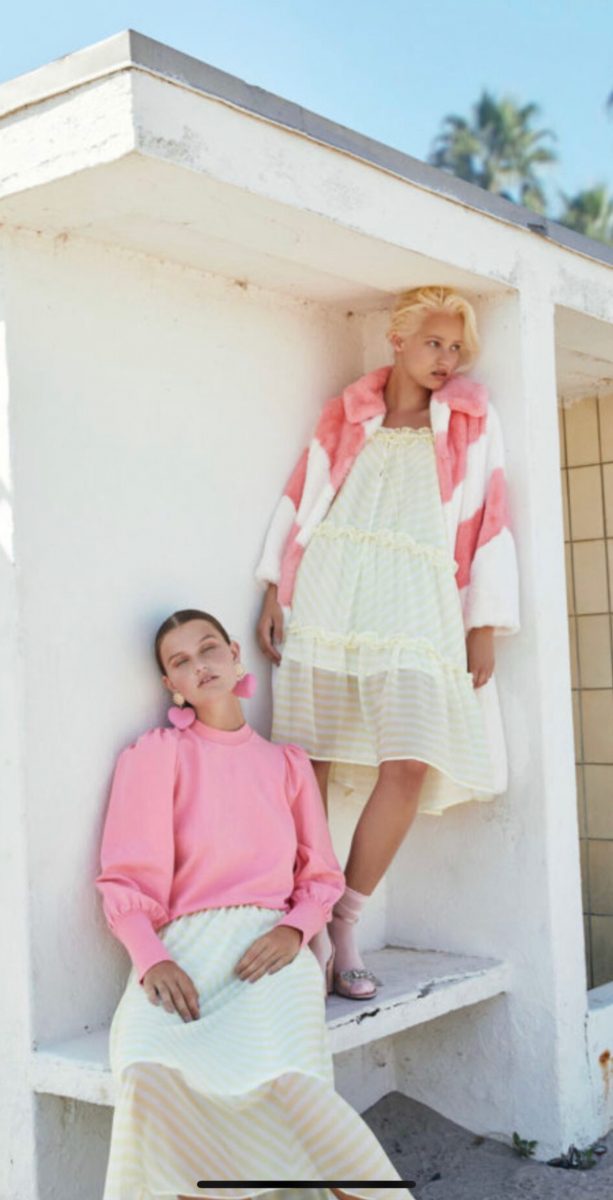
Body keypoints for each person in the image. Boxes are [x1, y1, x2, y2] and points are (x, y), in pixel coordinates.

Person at [256, 285, 520, 1000]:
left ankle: (346, 919)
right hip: (331, 587)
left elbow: (491, 517)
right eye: (434, 342)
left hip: (418, 598)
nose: (446, 358)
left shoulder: (470, 416)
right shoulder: (348, 411)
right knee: (307, 758)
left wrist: (483, 625)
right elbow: (303, 494)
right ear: (397, 341)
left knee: (406, 764)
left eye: (456, 348)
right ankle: (309, 920)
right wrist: (275, 587)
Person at [96, 608, 413, 1200]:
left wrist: (294, 932)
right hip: (183, 952)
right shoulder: (157, 754)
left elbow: (321, 876)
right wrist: (151, 957)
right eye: (181, 661)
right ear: (172, 685)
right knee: (147, 1071)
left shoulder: (286, 763)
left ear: (235, 655)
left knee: (291, 1079)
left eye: (209, 648)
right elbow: (124, 875)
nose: (200, 665)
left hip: (273, 950)